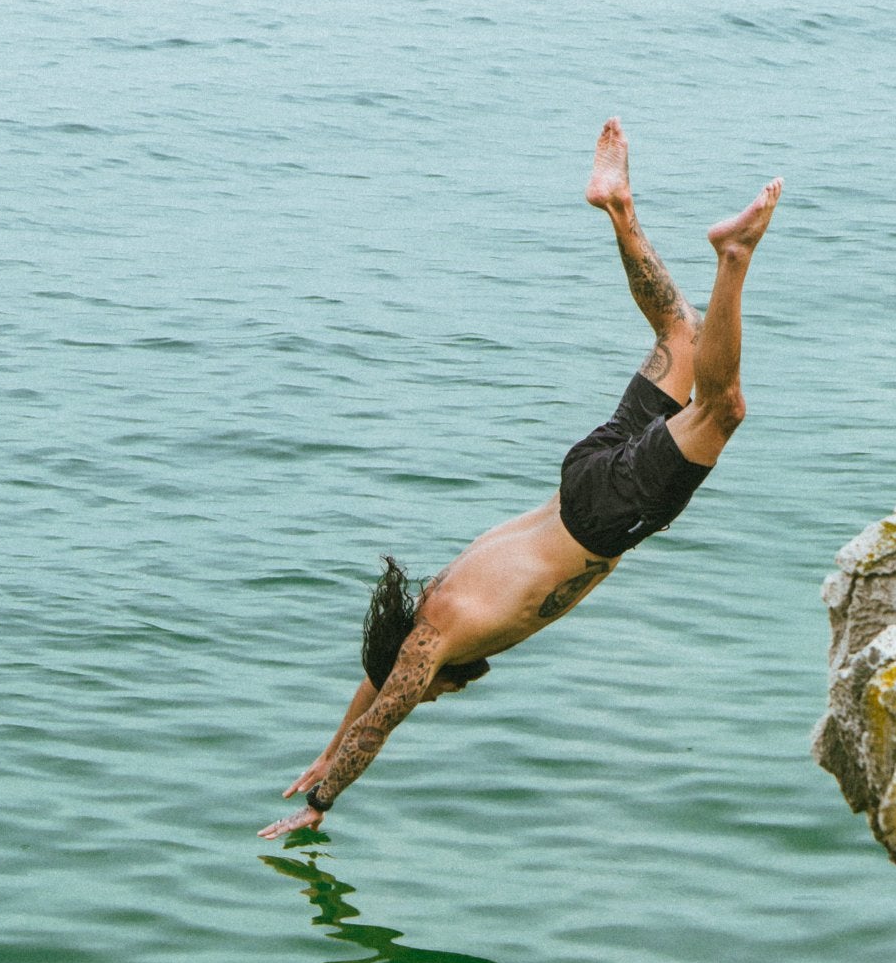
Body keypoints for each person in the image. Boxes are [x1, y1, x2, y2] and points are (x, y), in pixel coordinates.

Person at [259, 119, 782, 840]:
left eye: (424, 695)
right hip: (580, 477)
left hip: (604, 514)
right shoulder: (439, 594)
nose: (430, 699)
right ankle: (619, 208)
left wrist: (321, 803)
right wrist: (322, 751)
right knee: (679, 337)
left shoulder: (435, 642)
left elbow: (380, 717)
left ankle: (734, 254)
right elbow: (373, 691)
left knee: (721, 409)